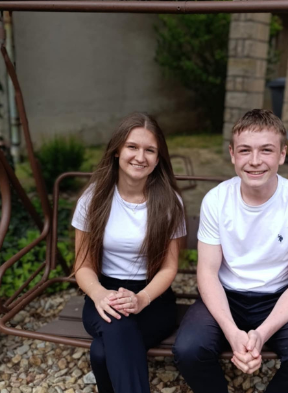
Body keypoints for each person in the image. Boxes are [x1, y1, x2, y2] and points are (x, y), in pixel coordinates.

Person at [174, 109, 288, 393]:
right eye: (245, 150)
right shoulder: (216, 200)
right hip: (226, 295)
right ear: (233, 154)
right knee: (188, 350)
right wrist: (232, 332)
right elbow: (207, 273)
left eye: (266, 150)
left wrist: (261, 334)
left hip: (279, 297)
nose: (255, 161)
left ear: (282, 154)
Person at [73, 112, 186, 393]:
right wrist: (100, 294)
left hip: (153, 297)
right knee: (116, 327)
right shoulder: (93, 199)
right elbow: (83, 265)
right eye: (132, 147)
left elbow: (169, 267)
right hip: (104, 292)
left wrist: (141, 298)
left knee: (102, 352)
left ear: (158, 158)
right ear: (116, 151)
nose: (140, 157)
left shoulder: (170, 203)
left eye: (150, 150)